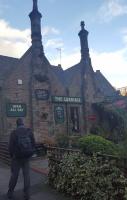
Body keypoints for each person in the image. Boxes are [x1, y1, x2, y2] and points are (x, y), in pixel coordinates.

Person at [7, 118, 35, 200]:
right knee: (26, 176)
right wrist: (30, 153)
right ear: (23, 123)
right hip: (26, 158)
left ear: (17, 124)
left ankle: (10, 193)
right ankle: (27, 195)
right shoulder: (29, 131)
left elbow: (10, 147)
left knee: (14, 176)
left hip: (17, 158)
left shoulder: (14, 133)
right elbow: (33, 143)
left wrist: (12, 156)